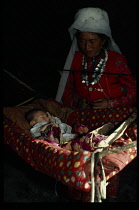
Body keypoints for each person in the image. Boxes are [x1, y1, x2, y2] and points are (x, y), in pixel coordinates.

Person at [55, 7, 137, 202]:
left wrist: (110, 103)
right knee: (77, 154)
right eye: (82, 40)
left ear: (103, 40)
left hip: (112, 120)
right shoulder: (75, 60)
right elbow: (66, 90)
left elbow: (133, 91)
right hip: (83, 118)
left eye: (92, 41)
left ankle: (109, 195)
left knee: (104, 157)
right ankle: (77, 193)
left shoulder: (116, 61)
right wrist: (77, 100)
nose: (86, 46)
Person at [25, 108, 89, 143]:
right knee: (69, 138)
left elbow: (58, 122)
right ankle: (79, 138)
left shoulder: (51, 120)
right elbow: (37, 132)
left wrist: (50, 118)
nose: (46, 118)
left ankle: (80, 131)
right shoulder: (36, 127)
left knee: (74, 128)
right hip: (58, 138)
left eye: (46, 116)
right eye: (42, 117)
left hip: (67, 131)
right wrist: (49, 125)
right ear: (33, 123)